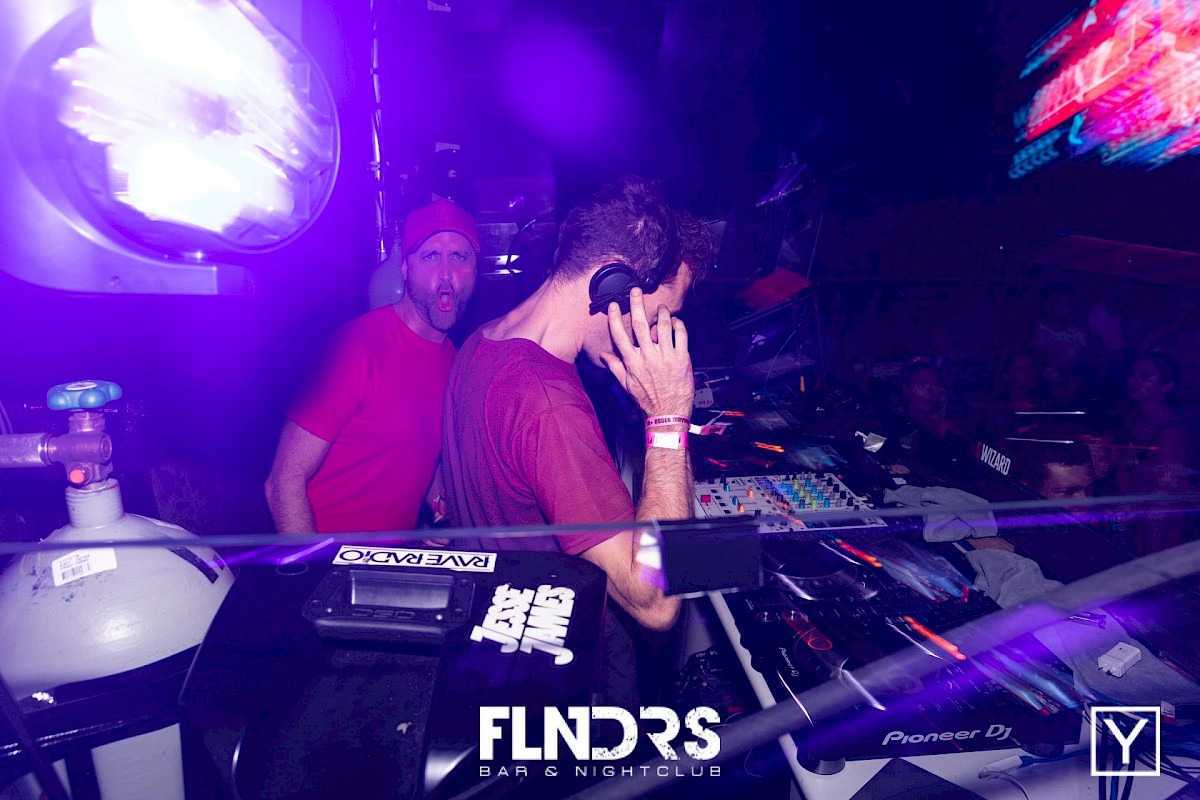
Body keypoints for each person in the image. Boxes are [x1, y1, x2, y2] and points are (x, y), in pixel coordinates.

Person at [441, 176, 713, 637]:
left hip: (496, 626)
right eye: (657, 316)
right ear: (613, 283)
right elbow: (655, 602)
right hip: (557, 652)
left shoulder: (481, 341)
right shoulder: (549, 406)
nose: (654, 336)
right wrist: (669, 417)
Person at [265, 199, 480, 533]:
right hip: (326, 556)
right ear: (405, 269)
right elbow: (282, 483)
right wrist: (316, 565)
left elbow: (412, 455)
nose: (446, 275)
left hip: (389, 560)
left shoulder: (452, 357)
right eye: (430, 256)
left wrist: (441, 505)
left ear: (476, 271)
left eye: (459, 257)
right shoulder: (353, 349)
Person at [1116, 352, 1193, 555]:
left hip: (1154, 539)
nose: (1134, 380)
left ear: (1166, 386)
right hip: (1131, 530)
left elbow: (1163, 502)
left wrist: (1150, 559)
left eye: (1145, 375)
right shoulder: (1135, 421)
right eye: (1132, 374)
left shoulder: (1171, 432)